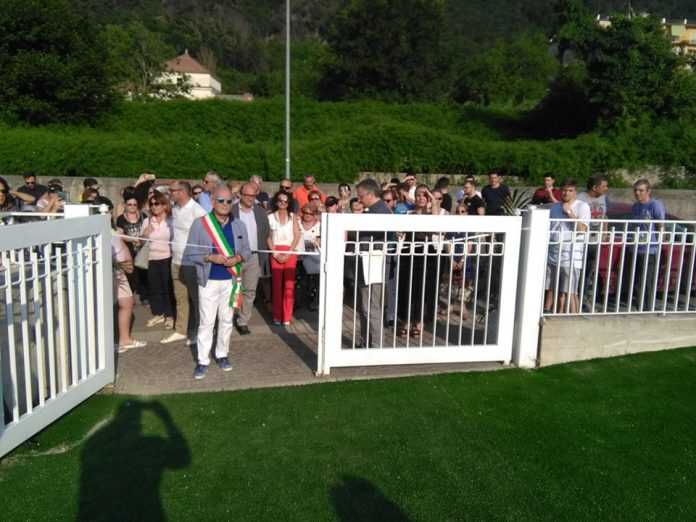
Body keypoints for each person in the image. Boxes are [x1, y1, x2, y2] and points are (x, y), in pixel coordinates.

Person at [185, 186, 251, 380]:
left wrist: (238, 258)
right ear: (213, 201)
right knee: (206, 322)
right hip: (208, 281)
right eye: (221, 201)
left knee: (227, 320)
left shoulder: (239, 225)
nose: (225, 204)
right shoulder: (200, 224)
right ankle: (203, 361)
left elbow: (247, 250)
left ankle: (222, 354)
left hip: (231, 280)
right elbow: (190, 253)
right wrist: (210, 257)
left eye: (229, 201)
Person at [161, 181, 208, 345]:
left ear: (181, 192)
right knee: (180, 298)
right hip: (176, 260)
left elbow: (205, 238)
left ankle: (198, 332)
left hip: (192, 263)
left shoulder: (198, 211)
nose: (170, 193)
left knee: (196, 300)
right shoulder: (175, 208)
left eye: (172, 190)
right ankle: (181, 330)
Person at [397, 185, 439, 339]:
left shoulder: (431, 214)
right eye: (418, 195)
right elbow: (401, 231)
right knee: (408, 288)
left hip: (427, 253)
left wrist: (430, 196)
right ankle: (406, 321)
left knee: (423, 289)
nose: (421, 198)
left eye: (424, 195)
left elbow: (436, 217)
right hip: (410, 252)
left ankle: (419, 322)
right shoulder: (409, 213)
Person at [544, 179, 591, 314]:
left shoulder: (582, 206)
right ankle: (553, 314)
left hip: (571, 256)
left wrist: (570, 213)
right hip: (553, 255)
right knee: (553, 289)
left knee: (569, 292)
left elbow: (582, 229)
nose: (566, 193)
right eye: (564, 190)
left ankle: (574, 317)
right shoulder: (555, 208)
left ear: (575, 192)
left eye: (570, 190)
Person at [355, 178, 392, 347]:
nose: (359, 200)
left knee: (371, 306)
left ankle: (376, 346)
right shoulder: (374, 210)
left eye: (361, 196)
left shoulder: (381, 211)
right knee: (365, 305)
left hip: (374, 262)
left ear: (370, 194)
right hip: (368, 261)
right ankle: (366, 342)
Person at [231, 182, 270, 335]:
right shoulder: (231, 210)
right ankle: (228, 318)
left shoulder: (260, 212)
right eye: (247, 195)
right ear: (240, 195)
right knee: (233, 289)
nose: (250, 198)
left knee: (250, 291)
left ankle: (243, 320)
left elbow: (266, 232)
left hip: (254, 256)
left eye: (253, 195)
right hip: (235, 256)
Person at [621, 179, 666, 309]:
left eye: (641, 190)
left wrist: (660, 244)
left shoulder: (655, 205)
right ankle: (639, 305)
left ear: (648, 191)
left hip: (649, 248)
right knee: (636, 279)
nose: (637, 193)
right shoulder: (636, 206)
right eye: (635, 190)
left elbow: (661, 225)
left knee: (647, 279)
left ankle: (647, 306)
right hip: (635, 247)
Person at [141, 192, 175, 329]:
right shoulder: (147, 221)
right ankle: (158, 313)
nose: (154, 206)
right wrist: (145, 233)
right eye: (151, 204)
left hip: (167, 258)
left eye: (157, 203)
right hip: (152, 258)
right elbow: (140, 242)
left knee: (168, 288)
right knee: (154, 288)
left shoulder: (171, 220)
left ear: (164, 205)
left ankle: (169, 315)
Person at [267, 191, 301, 325]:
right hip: (275, 251)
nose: (283, 203)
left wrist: (289, 253)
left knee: (289, 286)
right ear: (276, 202)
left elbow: (297, 236)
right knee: (276, 285)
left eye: (286, 201)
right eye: (280, 200)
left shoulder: (293, 217)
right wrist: (275, 253)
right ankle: (277, 315)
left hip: (290, 252)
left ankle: (287, 316)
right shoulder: (270, 217)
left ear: (289, 203)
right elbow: (268, 237)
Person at [112, 231, 147, 353]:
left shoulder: (112, 229)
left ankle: (125, 339)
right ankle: (106, 344)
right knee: (104, 308)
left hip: (120, 272)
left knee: (127, 302)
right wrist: (116, 263)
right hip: (110, 271)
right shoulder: (96, 230)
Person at [115, 195, 148, 304]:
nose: (132, 206)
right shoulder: (121, 219)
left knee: (143, 272)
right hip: (129, 249)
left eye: (135, 204)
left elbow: (147, 230)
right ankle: (131, 296)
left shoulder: (143, 216)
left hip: (142, 248)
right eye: (130, 204)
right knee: (131, 273)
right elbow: (120, 234)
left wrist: (141, 239)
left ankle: (144, 296)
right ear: (125, 205)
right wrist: (132, 239)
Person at [297, 204, 321, 311]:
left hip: (314, 258)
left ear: (315, 214)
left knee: (316, 282)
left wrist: (307, 243)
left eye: (310, 213)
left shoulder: (320, 225)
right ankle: (298, 302)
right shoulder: (297, 223)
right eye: (305, 212)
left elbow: (319, 241)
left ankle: (314, 302)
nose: (307, 215)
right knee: (300, 282)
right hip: (299, 257)